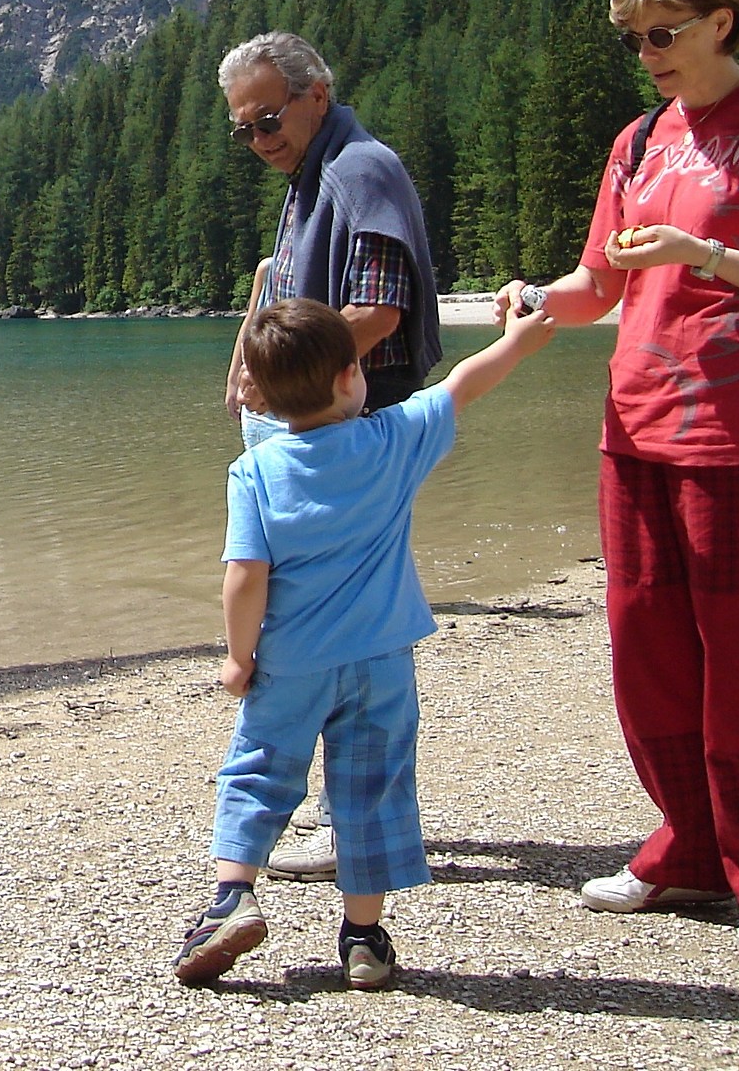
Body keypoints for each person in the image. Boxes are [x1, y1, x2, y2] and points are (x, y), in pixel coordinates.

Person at [496, 0, 739, 959]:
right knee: (648, 650)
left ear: (721, 21)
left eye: (662, 34)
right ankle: (688, 849)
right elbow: (600, 284)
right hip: (637, 430)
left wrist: (704, 252)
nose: (646, 52)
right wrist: (538, 299)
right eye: (632, 39)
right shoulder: (638, 142)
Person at [173, 296, 555, 991]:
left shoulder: (256, 471)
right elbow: (464, 383)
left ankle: (232, 896)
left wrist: (239, 657)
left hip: (291, 663)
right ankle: (363, 939)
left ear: (256, 394)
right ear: (353, 377)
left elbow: (244, 578)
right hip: (381, 660)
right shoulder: (391, 440)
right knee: (370, 789)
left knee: (259, 769)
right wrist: (520, 340)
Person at [218, 32, 443, 883]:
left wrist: (278, 380)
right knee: (325, 625)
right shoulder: (312, 173)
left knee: (324, 631)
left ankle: (351, 830)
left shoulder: (360, 168)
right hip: (318, 425)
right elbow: (284, 284)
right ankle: (345, 819)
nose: (260, 139)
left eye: (269, 118)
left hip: (352, 428)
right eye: (244, 129)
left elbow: (379, 310)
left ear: (317, 94)